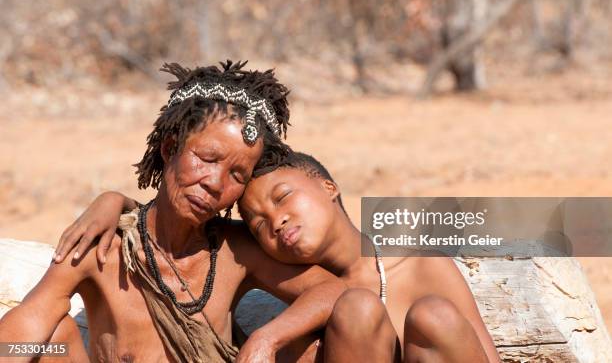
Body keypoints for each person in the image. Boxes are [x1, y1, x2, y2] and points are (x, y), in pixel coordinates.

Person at [0, 61, 346, 363]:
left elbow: (333, 291)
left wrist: (265, 339)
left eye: (237, 175)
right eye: (207, 159)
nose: (214, 182)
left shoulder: (234, 251)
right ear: (169, 149)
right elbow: (28, 322)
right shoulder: (101, 246)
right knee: (52, 339)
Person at [54, 151, 501, 362]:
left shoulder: (420, 263)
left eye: (284, 198)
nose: (277, 222)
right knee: (358, 309)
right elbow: (175, 222)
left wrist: (266, 338)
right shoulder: (283, 276)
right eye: (259, 223)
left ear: (329, 187)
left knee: (433, 316)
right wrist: (115, 200)